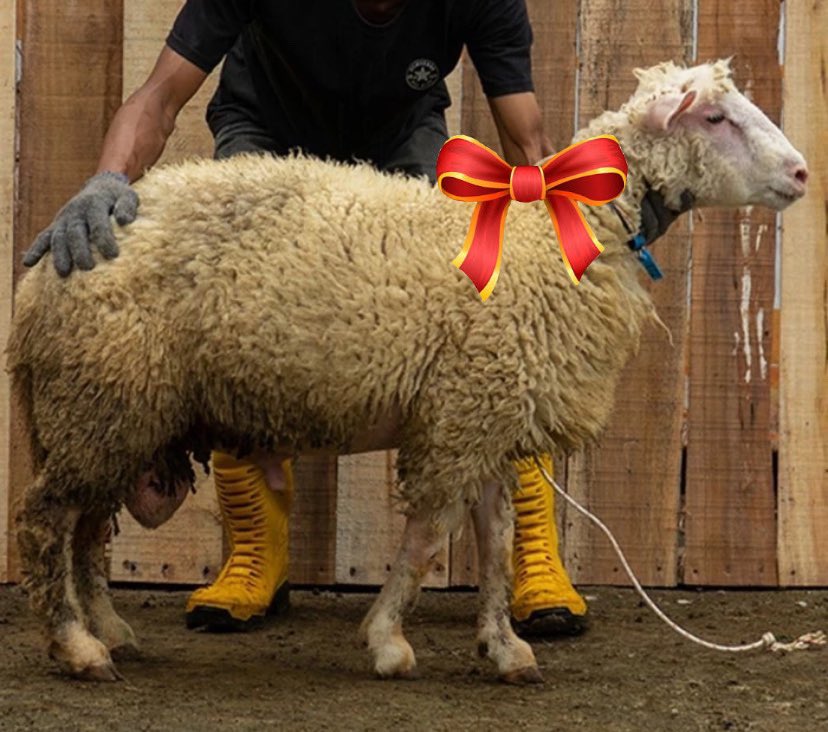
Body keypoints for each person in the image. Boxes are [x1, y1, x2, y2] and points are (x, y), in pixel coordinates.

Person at [24, 0, 608, 637]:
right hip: (268, 130)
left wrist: (546, 286)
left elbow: (527, 142)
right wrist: (109, 179)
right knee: (237, 321)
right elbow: (162, 94)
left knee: (482, 324)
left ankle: (535, 558)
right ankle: (255, 555)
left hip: (400, 135)